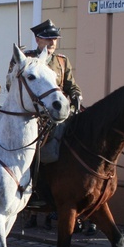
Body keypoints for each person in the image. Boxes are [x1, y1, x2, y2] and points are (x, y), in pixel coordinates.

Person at [22, 19, 86, 231]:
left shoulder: (61, 60)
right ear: (38, 39)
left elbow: (71, 85)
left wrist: (76, 95)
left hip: (61, 114)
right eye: (48, 39)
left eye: (55, 39)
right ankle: (34, 190)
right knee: (38, 150)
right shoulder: (28, 59)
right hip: (38, 115)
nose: (52, 43)